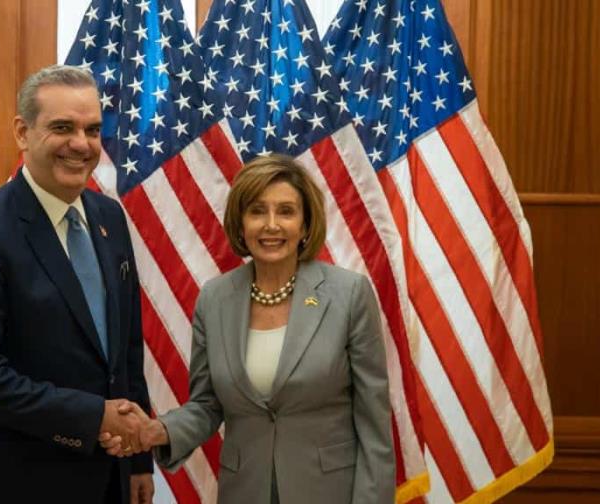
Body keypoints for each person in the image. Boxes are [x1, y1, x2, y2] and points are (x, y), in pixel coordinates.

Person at [103, 154, 395, 503]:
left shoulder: (348, 294)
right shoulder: (215, 299)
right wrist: (156, 430)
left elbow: (374, 425)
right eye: (257, 211)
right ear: (241, 223)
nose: (271, 225)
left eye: (286, 211)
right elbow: (207, 405)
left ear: (305, 224)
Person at [0, 65, 154, 504]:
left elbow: (126, 352)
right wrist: (93, 417)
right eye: (62, 127)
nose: (81, 144)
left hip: (112, 481)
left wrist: (137, 460)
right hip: (24, 483)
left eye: (92, 130)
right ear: (22, 132)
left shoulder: (109, 217)